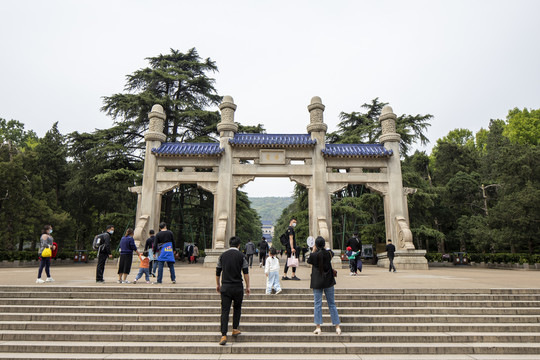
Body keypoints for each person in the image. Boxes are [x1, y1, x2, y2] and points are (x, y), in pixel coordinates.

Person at [216, 236, 250, 346]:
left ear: (229, 244)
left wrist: (218, 284)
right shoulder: (242, 256)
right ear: (239, 245)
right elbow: (245, 272)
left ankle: (223, 335)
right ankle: (235, 328)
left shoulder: (222, 255)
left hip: (225, 286)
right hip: (237, 287)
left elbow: (217, 272)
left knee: (225, 311)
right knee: (237, 308)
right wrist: (248, 286)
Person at [307, 236, 341, 335]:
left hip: (317, 282)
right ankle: (337, 326)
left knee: (317, 304)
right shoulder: (329, 253)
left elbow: (309, 260)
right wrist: (324, 247)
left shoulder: (313, 256)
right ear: (324, 244)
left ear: (316, 245)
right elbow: (331, 252)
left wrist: (313, 250)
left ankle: (318, 327)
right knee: (332, 304)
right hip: (328, 281)